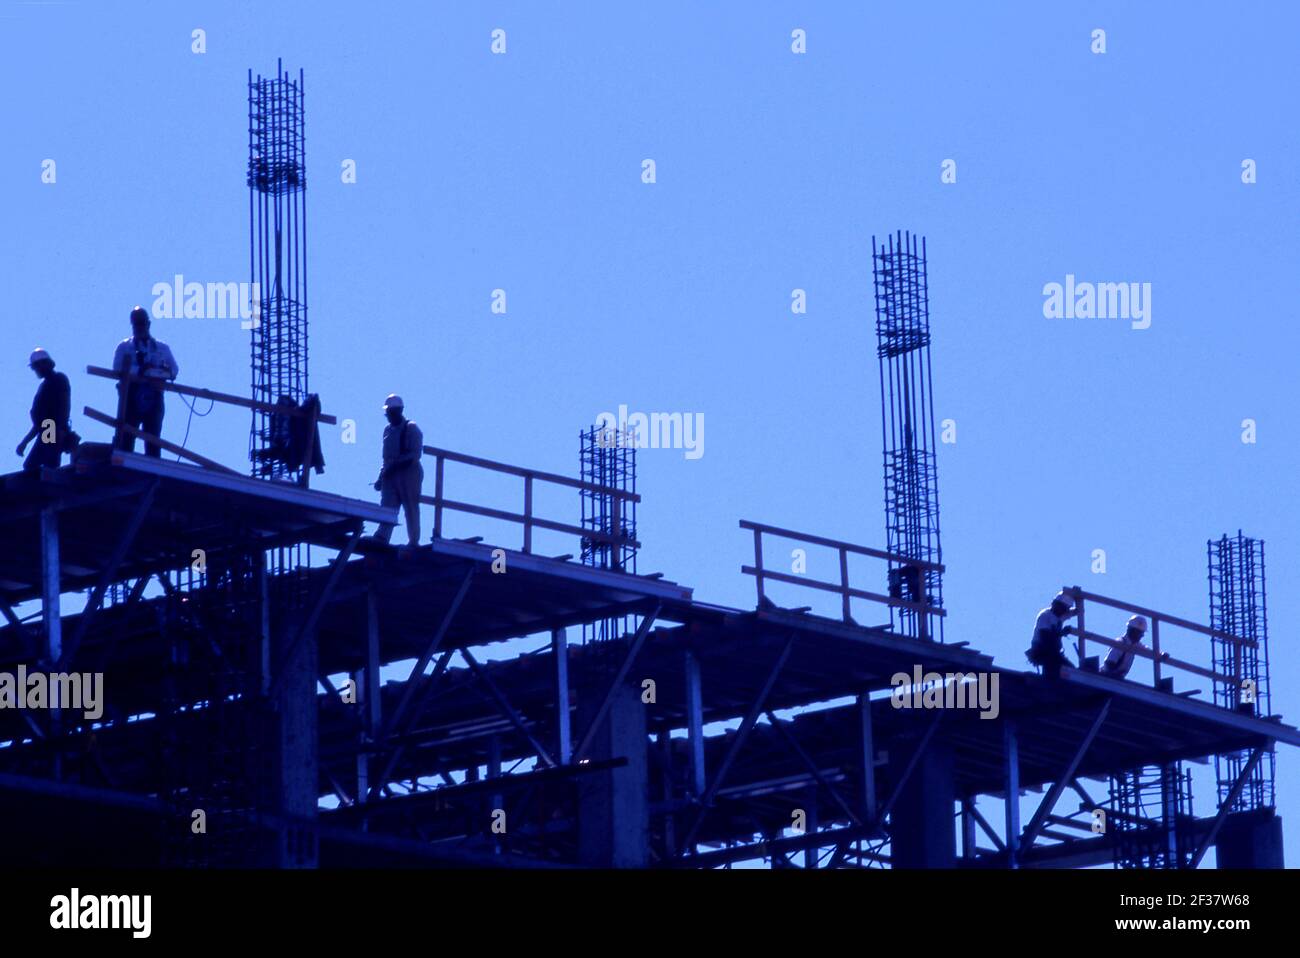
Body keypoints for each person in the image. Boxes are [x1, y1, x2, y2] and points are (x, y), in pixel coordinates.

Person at [112, 306, 179, 457]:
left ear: (148, 324)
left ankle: (153, 473)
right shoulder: (124, 347)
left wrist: (161, 371)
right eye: (136, 324)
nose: (139, 327)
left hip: (154, 396)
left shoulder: (162, 348)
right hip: (131, 397)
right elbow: (117, 369)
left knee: (153, 439)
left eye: (142, 323)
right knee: (127, 437)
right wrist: (139, 371)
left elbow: (174, 370)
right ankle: (125, 470)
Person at [373, 394, 424, 546]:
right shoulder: (387, 431)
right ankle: (382, 536)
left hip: (409, 473)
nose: (389, 415)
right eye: (387, 412)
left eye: (392, 412)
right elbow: (386, 459)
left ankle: (413, 540)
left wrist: (396, 465)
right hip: (390, 474)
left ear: (399, 411)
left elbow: (415, 454)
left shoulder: (411, 428)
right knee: (387, 506)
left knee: (410, 506)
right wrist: (380, 478)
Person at [15, 348, 71, 472]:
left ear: (45, 364)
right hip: (49, 429)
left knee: (44, 467)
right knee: (33, 467)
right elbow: (40, 423)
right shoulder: (46, 385)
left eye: (36, 366)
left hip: (52, 429)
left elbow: (61, 409)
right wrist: (25, 442)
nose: (35, 370)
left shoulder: (58, 380)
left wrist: (60, 429)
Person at [1025, 591, 1078, 677]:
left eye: (1065, 609)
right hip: (1043, 649)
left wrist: (1076, 599)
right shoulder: (1046, 615)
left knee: (1070, 672)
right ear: (1056, 605)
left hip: (1053, 652)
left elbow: (1074, 612)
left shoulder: (1058, 615)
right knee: (1061, 671)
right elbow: (1045, 636)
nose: (1064, 612)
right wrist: (1062, 633)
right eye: (1063, 609)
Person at [1102, 615, 1148, 679]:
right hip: (1107, 678)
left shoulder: (1135, 645)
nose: (1142, 635)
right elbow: (1109, 663)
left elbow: (1148, 651)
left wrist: (1161, 654)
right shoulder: (1120, 643)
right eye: (1140, 632)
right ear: (1132, 630)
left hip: (1117, 678)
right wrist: (1114, 675)